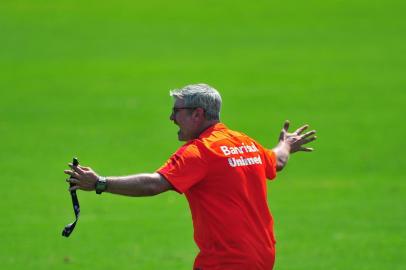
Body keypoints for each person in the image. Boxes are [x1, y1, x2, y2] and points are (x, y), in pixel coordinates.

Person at [64, 83, 316, 270]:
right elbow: (277, 161)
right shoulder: (244, 142)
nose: (171, 118)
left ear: (197, 114)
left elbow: (155, 184)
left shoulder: (200, 152)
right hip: (261, 257)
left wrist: (99, 183)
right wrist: (286, 145)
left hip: (226, 261)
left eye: (177, 111)